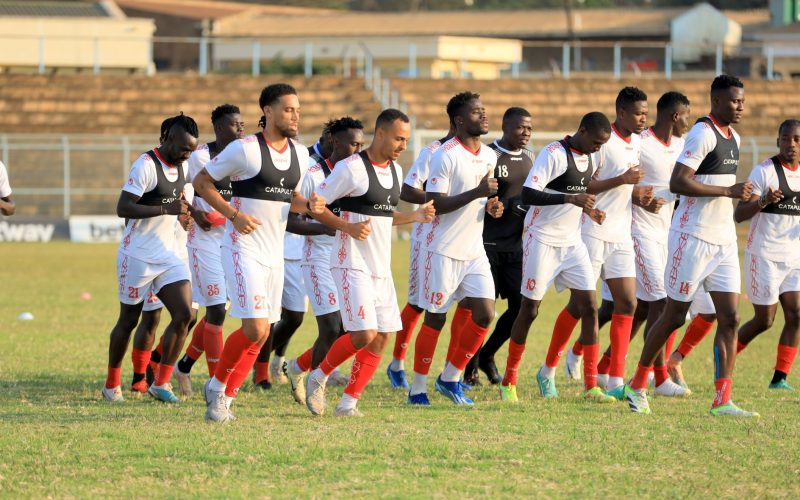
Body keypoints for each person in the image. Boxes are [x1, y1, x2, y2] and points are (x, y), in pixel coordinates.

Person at [193, 83, 347, 422]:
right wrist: (233, 215)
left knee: (263, 333)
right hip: (241, 248)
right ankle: (218, 389)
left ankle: (225, 394)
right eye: (289, 109)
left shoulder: (301, 154)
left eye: (298, 110)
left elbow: (287, 196)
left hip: (273, 255)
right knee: (253, 328)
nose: (296, 115)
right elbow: (202, 182)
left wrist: (310, 204)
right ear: (268, 112)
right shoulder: (244, 150)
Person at [624, 75, 758, 417]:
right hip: (691, 237)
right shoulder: (702, 133)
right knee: (673, 316)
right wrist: (727, 192)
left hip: (724, 240)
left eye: (741, 101)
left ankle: (722, 400)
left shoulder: (735, 137)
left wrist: (736, 194)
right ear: (715, 101)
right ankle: (638, 385)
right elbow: (678, 181)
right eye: (733, 101)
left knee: (730, 317)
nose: (739, 106)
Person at [303, 109, 435, 417]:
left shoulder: (395, 171)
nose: (403, 145)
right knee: (363, 334)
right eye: (399, 138)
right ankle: (318, 375)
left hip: (380, 266)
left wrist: (414, 216)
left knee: (383, 336)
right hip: (350, 261)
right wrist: (346, 226)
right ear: (381, 134)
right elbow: (315, 204)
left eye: (407, 139)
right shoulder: (351, 168)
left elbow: (382, 216)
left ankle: (348, 403)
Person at [499, 112, 615, 404]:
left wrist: (589, 210)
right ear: (583, 130)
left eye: (603, 145)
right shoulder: (554, 153)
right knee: (530, 309)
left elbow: (579, 193)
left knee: (589, 306)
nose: (598, 149)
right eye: (597, 142)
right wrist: (571, 199)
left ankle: (591, 385)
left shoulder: (592, 157)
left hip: (572, 241)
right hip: (542, 240)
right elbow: (528, 194)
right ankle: (509, 381)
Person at [407, 91, 504, 406]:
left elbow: (483, 198)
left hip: (473, 250)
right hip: (442, 249)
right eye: (477, 112)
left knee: (485, 312)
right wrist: (477, 192)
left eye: (484, 109)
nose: (484, 115)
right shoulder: (445, 155)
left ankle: (450, 377)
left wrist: (492, 205)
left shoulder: (489, 155)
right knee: (435, 319)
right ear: (460, 120)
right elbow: (437, 202)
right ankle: (417, 388)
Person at [102, 114, 200, 403]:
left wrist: (186, 217)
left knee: (185, 314)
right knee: (129, 321)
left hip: (168, 256)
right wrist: (164, 210)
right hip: (137, 257)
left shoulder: (184, 168)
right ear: (167, 138)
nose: (187, 155)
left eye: (191, 150)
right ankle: (111, 384)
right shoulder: (145, 165)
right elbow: (123, 208)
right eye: (183, 148)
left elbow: (180, 204)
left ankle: (161, 382)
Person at [569, 87, 648, 400]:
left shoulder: (638, 142)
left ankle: (615, 379)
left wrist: (636, 194)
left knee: (628, 303)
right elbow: (583, 183)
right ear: (622, 112)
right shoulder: (603, 141)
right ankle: (552, 364)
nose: (644, 119)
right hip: (591, 231)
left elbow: (625, 186)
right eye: (639, 113)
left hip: (621, 234)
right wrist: (622, 181)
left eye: (646, 113)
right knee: (581, 306)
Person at [281, 116, 366, 403]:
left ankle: (297, 366)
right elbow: (291, 223)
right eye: (352, 144)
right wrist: (327, 227)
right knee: (330, 327)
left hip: (349, 258)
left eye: (361, 145)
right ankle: (318, 386)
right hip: (317, 258)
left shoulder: (358, 175)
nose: (357, 150)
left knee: (348, 328)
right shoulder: (313, 175)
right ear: (334, 141)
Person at [170, 104, 245, 396]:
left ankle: (182, 367)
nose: (240, 129)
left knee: (214, 311)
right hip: (203, 243)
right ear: (218, 127)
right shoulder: (200, 156)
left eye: (242, 124)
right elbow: (176, 187)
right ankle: (217, 383)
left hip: (231, 243)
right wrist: (193, 212)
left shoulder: (243, 157)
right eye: (234, 124)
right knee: (214, 310)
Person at [464, 107, 534, 386]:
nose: (526, 133)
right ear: (505, 127)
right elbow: (475, 192)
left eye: (529, 128)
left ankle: (488, 355)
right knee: (483, 311)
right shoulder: (489, 155)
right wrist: (489, 204)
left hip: (515, 246)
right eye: (520, 128)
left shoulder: (529, 159)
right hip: (486, 245)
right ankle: (469, 365)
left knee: (523, 307)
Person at [386, 122, 455, 390]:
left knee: (472, 305)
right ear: (455, 120)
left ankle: (455, 373)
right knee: (418, 303)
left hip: (463, 241)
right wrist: (441, 199)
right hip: (427, 238)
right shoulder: (433, 151)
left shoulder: (480, 153)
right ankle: (397, 363)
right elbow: (407, 189)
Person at [734, 119, 800, 390]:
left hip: (794, 258)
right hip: (764, 256)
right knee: (765, 320)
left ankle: (779, 378)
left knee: (796, 315)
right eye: (786, 139)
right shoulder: (764, 172)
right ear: (777, 141)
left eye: (796, 139)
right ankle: (723, 359)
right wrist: (763, 201)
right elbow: (739, 214)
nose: (791, 144)